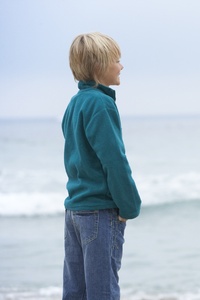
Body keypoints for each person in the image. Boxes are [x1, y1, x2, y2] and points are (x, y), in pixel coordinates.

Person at [62, 32, 142, 300]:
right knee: (102, 292)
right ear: (99, 66)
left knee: (76, 291)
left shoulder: (75, 104)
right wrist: (129, 205)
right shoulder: (101, 104)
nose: (121, 66)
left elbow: (78, 159)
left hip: (75, 211)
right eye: (116, 60)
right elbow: (114, 160)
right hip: (99, 212)